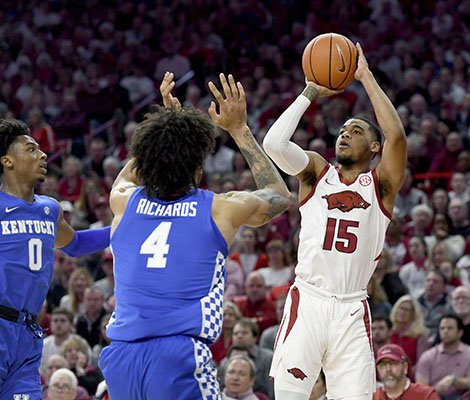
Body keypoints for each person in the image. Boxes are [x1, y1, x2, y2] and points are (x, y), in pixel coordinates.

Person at [98, 72, 291, 400]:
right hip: (178, 354)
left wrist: (165, 126)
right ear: (200, 170)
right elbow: (279, 195)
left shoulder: (124, 201)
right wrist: (240, 130)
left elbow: (126, 175)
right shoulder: (219, 209)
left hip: (120, 359)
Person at [263, 43, 406, 400]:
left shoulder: (381, 185)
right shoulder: (315, 173)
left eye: (356, 131)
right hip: (308, 300)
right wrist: (310, 90)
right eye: (343, 129)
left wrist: (365, 77)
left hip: (351, 308)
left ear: (375, 148)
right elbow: (275, 144)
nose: (345, 134)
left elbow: (398, 137)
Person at [0, 119, 110, 400]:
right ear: (7, 161)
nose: (43, 155)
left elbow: (75, 244)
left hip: (28, 333)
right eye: (31, 149)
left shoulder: (49, 209)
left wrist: (125, 229)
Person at [414, 314, 470, 400]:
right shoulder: (427, 356)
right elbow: (421, 387)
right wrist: (435, 391)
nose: (445, 331)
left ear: (460, 333)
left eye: (450, 328)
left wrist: (454, 381)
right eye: (442, 328)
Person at [373, 344, 440, 400]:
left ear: (405, 367)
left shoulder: (426, 395)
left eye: (393, 363)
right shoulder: (372, 397)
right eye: (383, 365)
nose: (388, 369)